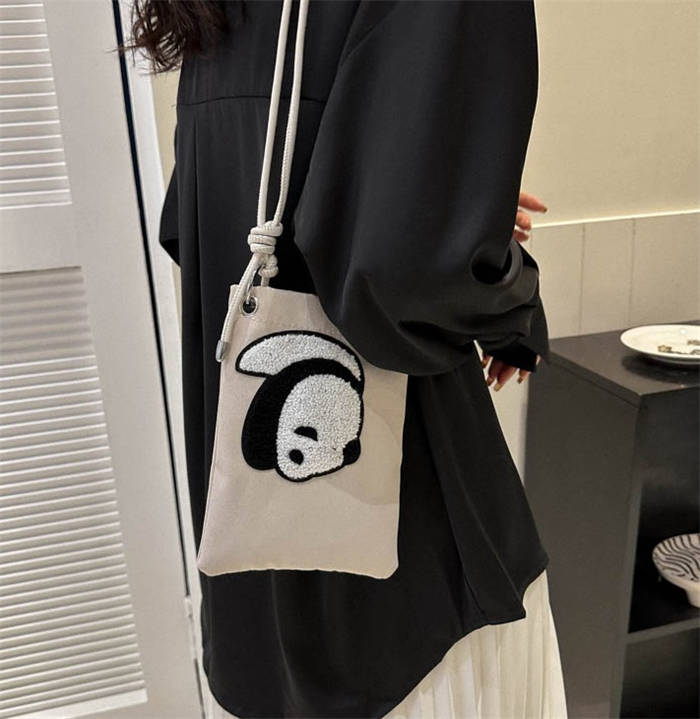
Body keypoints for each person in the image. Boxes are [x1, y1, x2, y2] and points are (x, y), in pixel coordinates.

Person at [125, 1, 568, 717]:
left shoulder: (222, 13)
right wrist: (506, 291)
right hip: (419, 597)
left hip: (259, 589)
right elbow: (403, 273)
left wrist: (427, 193)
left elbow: (194, 222)